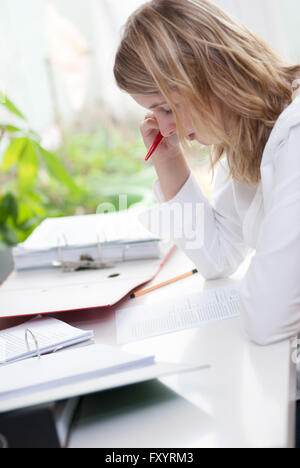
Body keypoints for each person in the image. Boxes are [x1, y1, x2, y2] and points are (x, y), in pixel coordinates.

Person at [113, 0, 300, 446]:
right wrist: (168, 159)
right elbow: (218, 256)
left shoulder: (294, 137)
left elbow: (268, 318)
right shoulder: (252, 134)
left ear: (208, 75)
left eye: (165, 106)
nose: (165, 127)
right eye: (152, 113)